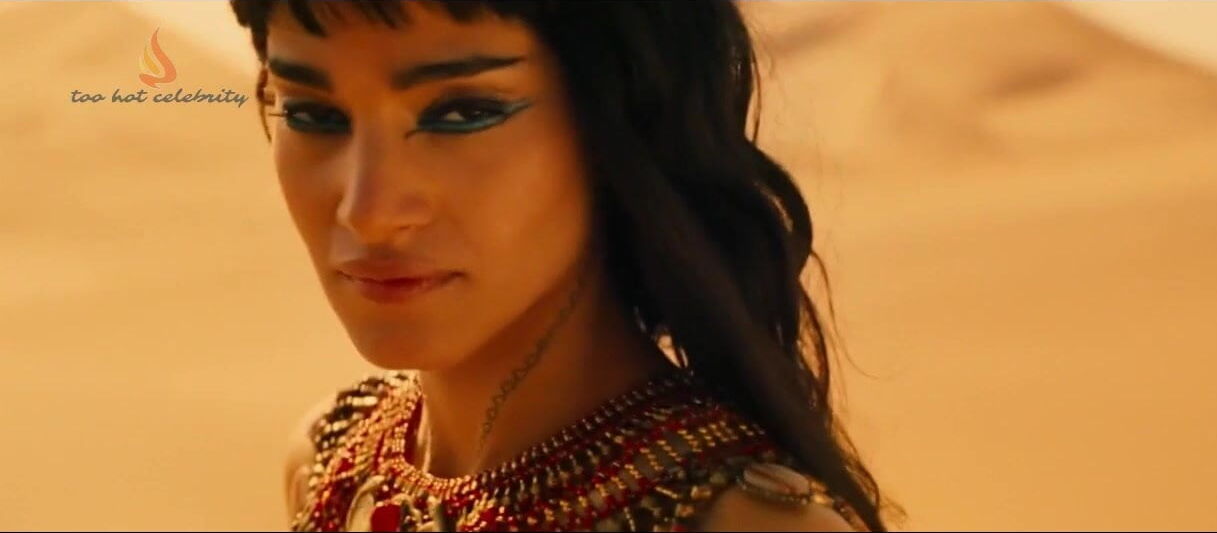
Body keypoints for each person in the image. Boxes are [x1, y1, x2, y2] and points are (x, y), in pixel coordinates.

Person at [229, 1, 892, 530]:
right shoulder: (332, 462)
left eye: (462, 113)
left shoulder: (742, 522)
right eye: (313, 114)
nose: (368, 211)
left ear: (615, 124)